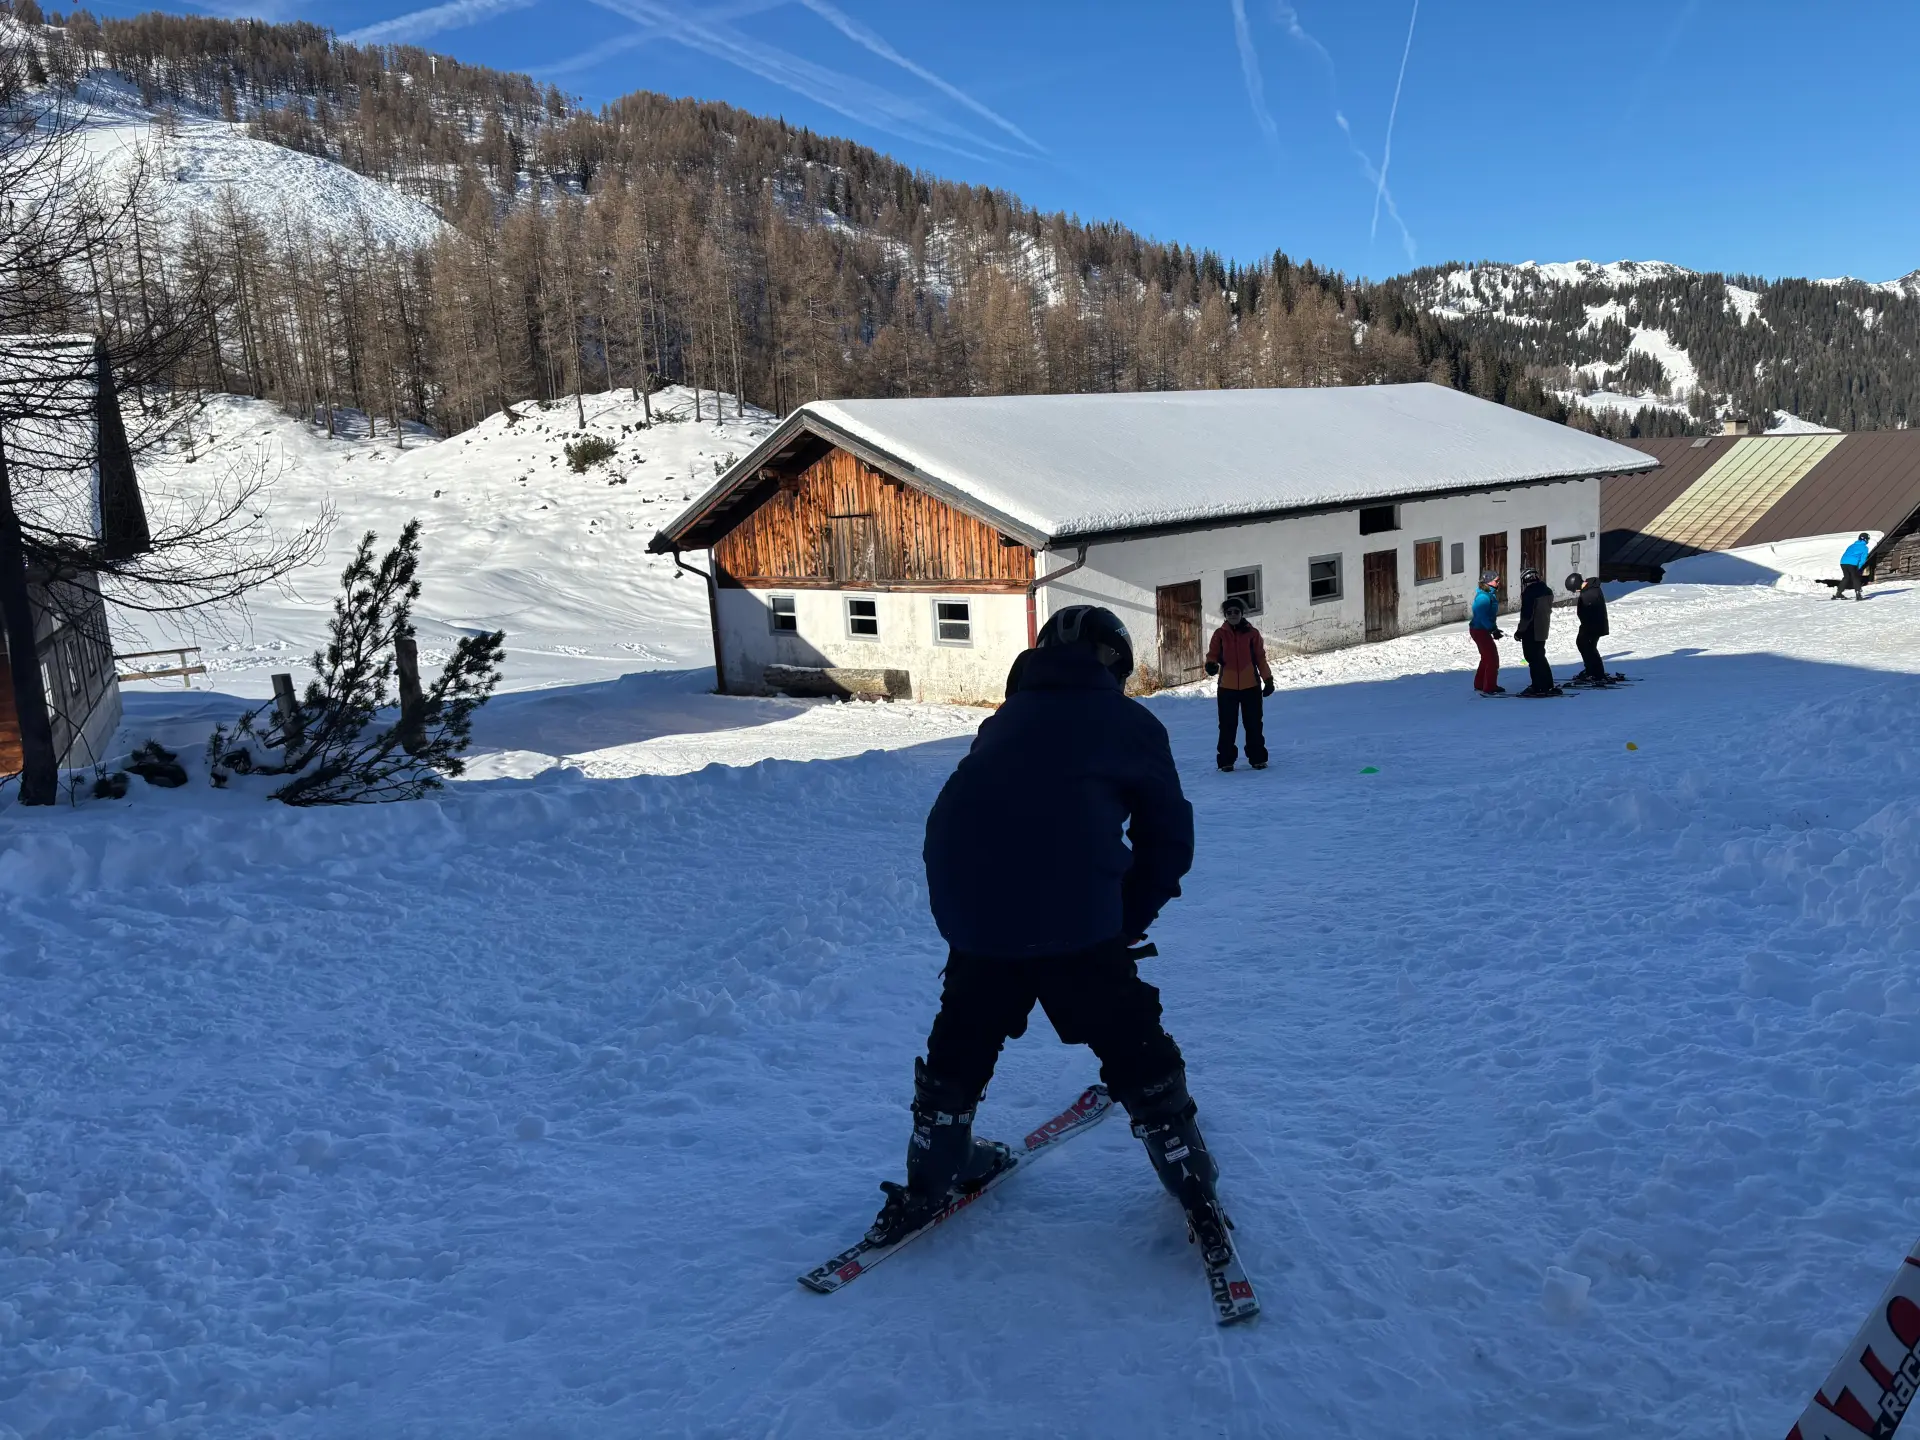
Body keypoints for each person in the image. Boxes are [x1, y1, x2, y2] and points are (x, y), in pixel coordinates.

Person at [873, 604, 1221, 1249]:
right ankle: (1187, 1170)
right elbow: (1168, 844)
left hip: (971, 907)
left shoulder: (1005, 720)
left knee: (965, 1032)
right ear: (1115, 660)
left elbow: (962, 824)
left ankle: (936, 1168)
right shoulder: (1129, 722)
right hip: (1072, 917)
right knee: (1127, 1034)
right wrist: (1120, 922)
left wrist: (969, 917)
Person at [1204, 596, 1274, 771]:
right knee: (1227, 725)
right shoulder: (1219, 635)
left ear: (1242, 614)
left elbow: (1260, 658)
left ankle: (1258, 758)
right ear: (1225, 615)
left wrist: (1268, 680)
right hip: (1227, 688)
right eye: (1229, 612)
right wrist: (1211, 665)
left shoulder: (1252, 634)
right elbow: (1212, 654)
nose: (1233, 615)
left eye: (1236, 611)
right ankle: (1226, 761)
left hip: (1251, 686)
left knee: (1254, 724)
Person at [1514, 567, 1560, 697]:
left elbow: (1527, 615)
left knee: (1532, 658)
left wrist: (1520, 631)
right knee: (1540, 656)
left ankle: (1538, 686)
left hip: (1531, 630)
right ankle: (1547, 683)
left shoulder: (1529, 593)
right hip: (1542, 629)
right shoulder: (1547, 590)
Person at [1569, 573, 1611, 685]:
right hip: (1591, 625)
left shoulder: (1589, 593)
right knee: (1586, 646)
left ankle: (1596, 673)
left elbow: (1589, 612)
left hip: (1592, 626)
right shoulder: (1590, 589)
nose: (1576, 591)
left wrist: (1587, 628)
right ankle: (1591, 670)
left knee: (1588, 648)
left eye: (1575, 589)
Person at [1468, 572, 1505, 695]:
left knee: (1486, 657)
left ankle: (1479, 684)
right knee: (1492, 658)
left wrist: (1493, 628)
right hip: (1480, 630)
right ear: (1488, 582)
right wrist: (1492, 629)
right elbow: (1481, 616)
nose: (1498, 583)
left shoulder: (1488, 594)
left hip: (1481, 629)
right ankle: (1489, 686)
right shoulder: (1484, 597)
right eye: (1496, 581)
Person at [1837, 532, 1871, 601]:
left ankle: (1838, 593)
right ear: (1865, 540)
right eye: (1868, 539)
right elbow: (1863, 559)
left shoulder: (1852, 545)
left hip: (1843, 562)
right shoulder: (1865, 548)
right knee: (1855, 578)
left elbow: (1846, 553)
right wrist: (1859, 567)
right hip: (1852, 563)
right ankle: (1858, 595)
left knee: (1846, 577)